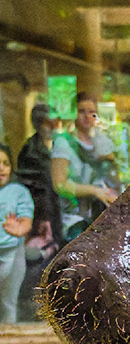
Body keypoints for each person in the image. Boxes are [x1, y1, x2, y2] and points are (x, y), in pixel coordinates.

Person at [51, 92, 120, 241]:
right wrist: (94, 191)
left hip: (103, 216)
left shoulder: (102, 141)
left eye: (92, 112)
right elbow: (60, 184)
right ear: (74, 114)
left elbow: (114, 177)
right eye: (81, 111)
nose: (87, 116)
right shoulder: (64, 143)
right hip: (74, 220)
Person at [16, 103, 63, 259]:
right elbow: (32, 188)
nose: (53, 127)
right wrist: (42, 218)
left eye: (56, 122)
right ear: (38, 124)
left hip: (60, 211)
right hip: (43, 216)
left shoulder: (60, 146)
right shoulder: (29, 151)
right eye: (48, 123)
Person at [0, 143, 34, 324]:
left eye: (5, 163)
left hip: (13, 252)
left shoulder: (18, 192)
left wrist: (21, 229)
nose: (1, 168)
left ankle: (8, 339)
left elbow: (26, 220)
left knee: (8, 302)